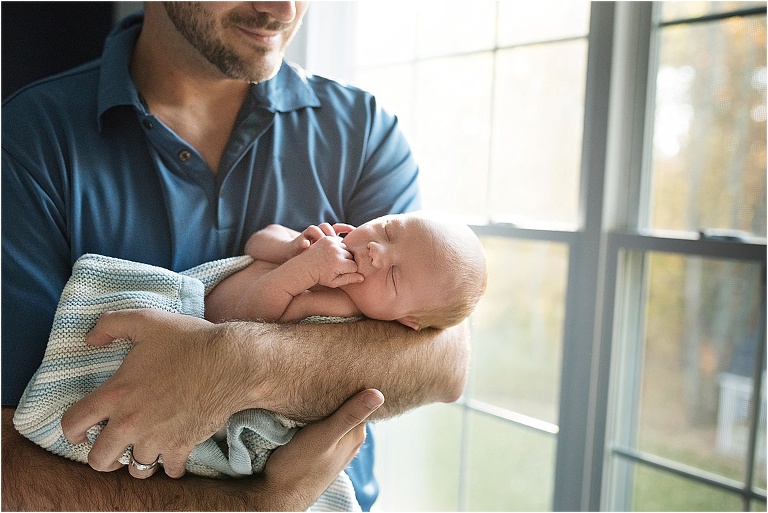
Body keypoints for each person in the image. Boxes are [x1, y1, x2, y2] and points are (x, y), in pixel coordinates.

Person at [1, 2, 470, 511]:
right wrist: (259, 504)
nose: (283, 9)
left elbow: (445, 359)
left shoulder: (362, 131)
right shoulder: (29, 140)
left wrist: (231, 361)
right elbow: (7, 466)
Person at [205, 212, 488, 330]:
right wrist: (288, 248)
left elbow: (249, 321)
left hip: (200, 321)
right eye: (388, 230)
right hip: (201, 284)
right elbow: (255, 243)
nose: (377, 250)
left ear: (406, 319)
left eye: (394, 275)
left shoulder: (338, 307)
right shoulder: (327, 243)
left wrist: (303, 270)